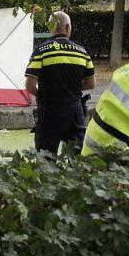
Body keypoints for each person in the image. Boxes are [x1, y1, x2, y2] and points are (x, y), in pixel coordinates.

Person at [25, 11, 96, 155]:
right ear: (68, 27)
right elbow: (91, 84)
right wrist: (73, 87)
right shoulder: (82, 52)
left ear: (51, 27)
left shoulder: (41, 51)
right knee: (76, 161)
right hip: (75, 114)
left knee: (46, 161)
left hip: (50, 112)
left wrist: (45, 93)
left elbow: (30, 85)